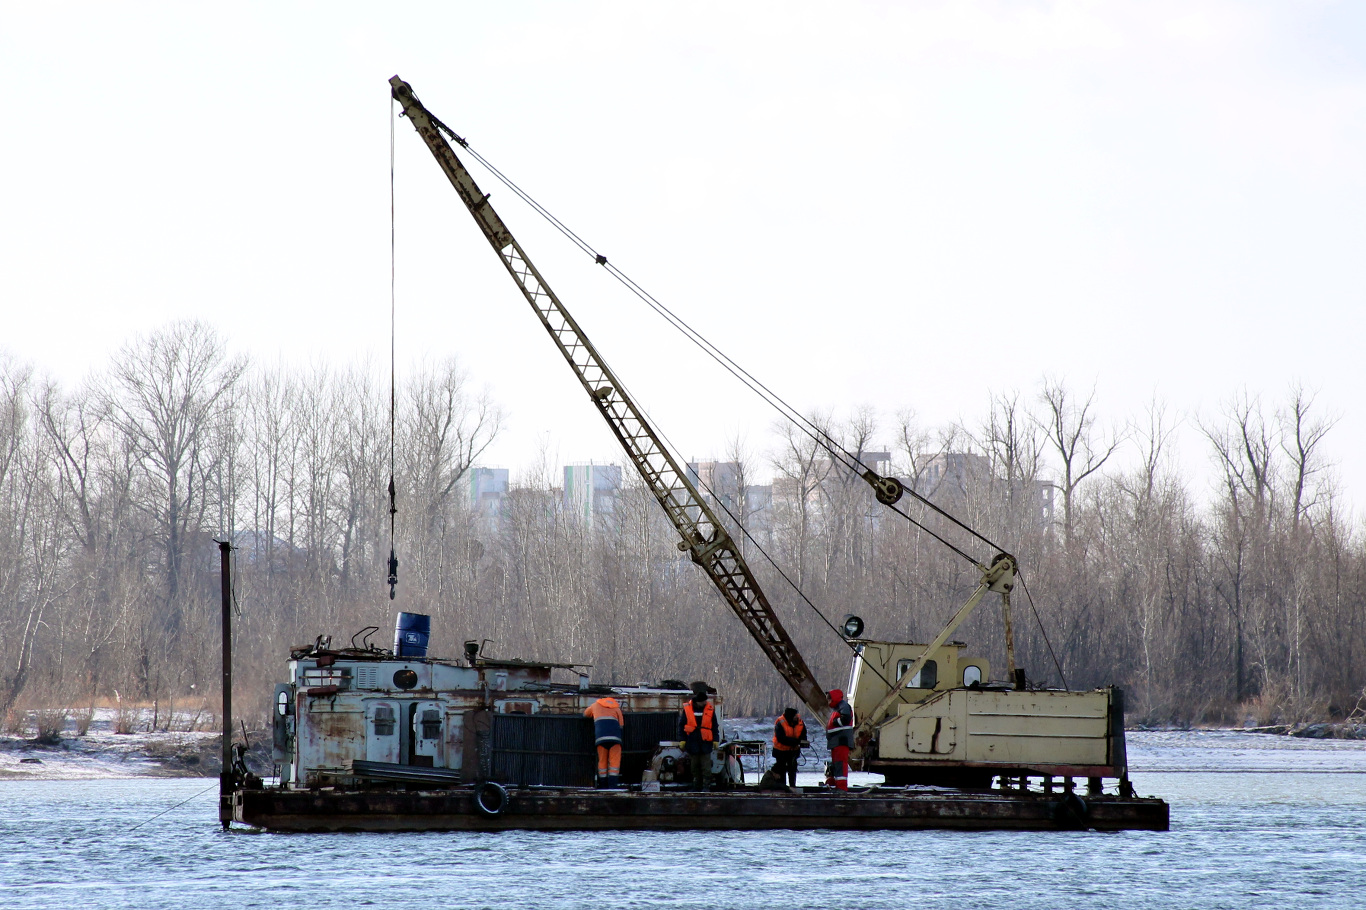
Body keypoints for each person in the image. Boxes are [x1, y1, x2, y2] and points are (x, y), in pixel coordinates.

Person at [678, 683, 720, 790]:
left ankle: (706, 786)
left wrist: (715, 740)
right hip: (693, 743)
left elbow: (714, 726)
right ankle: (696, 786)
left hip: (705, 743)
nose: (705, 703)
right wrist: (682, 740)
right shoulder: (687, 710)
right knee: (694, 768)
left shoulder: (710, 710)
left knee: (706, 768)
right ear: (698, 701)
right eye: (703, 701)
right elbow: (681, 726)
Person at [583, 695, 625, 788]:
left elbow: (585, 714)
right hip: (615, 739)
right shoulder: (616, 708)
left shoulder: (595, 706)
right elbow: (621, 725)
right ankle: (613, 786)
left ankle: (603, 785)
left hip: (601, 738)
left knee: (602, 762)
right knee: (614, 764)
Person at [825, 688, 854, 791]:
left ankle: (842, 787)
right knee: (837, 764)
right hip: (836, 742)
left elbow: (845, 719)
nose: (828, 702)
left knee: (841, 764)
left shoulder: (843, 706)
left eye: (829, 700)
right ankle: (837, 785)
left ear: (834, 698)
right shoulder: (838, 708)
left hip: (841, 741)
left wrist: (834, 722)